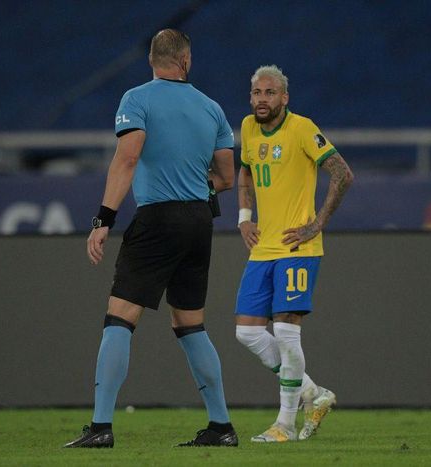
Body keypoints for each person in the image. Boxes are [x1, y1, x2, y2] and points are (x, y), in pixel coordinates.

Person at [64, 29, 238, 448]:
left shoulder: (137, 99)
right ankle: (221, 427)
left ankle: (101, 426)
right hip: (199, 220)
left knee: (120, 317)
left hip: (158, 217)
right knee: (190, 324)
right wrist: (196, 189)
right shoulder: (211, 108)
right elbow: (227, 178)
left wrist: (103, 218)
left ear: (152, 61)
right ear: (186, 61)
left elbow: (128, 157)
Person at [234, 65, 354, 442]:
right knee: (246, 332)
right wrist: (244, 217)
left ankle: (284, 424)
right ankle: (313, 394)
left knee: (286, 332)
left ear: (284, 97)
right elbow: (246, 173)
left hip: (296, 246)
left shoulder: (302, 128)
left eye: (270, 93)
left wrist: (317, 223)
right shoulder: (249, 127)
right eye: (256, 93)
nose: (261, 99)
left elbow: (342, 173)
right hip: (263, 247)